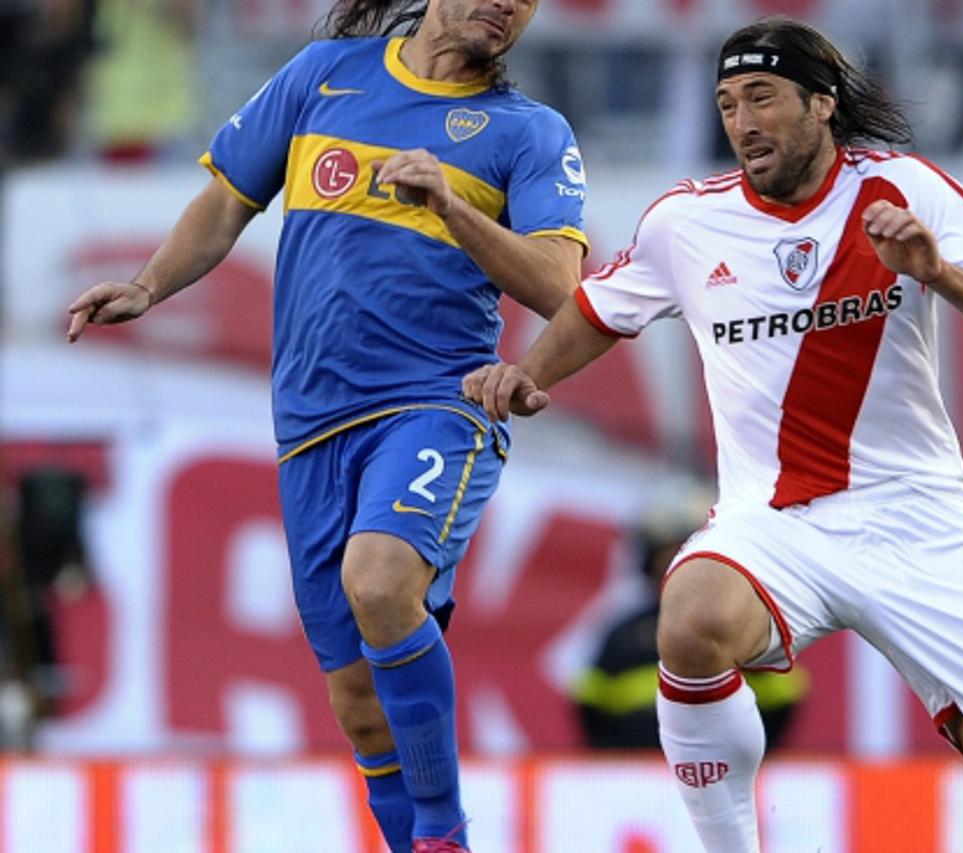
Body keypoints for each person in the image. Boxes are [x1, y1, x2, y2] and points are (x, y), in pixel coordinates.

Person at [466, 15, 963, 853]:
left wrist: (940, 275)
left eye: (762, 97)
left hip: (919, 523)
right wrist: (527, 376)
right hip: (773, 521)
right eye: (728, 102)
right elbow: (597, 309)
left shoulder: (904, 188)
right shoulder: (686, 223)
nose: (741, 121)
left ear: (822, 103)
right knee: (691, 615)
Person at [65, 1, 587, 850]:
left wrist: (453, 206)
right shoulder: (323, 77)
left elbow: (563, 286)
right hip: (310, 426)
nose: (508, 4)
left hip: (434, 401)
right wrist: (150, 285)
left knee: (380, 580)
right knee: (359, 708)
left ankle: (445, 834)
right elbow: (227, 202)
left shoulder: (528, 133)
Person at [573, 480, 808, 751]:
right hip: (640, 784)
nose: (678, 563)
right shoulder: (622, 636)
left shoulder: (746, 624)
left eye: (687, 551)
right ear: (648, 560)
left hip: (729, 780)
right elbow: (592, 712)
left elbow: (783, 701)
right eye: (668, 552)